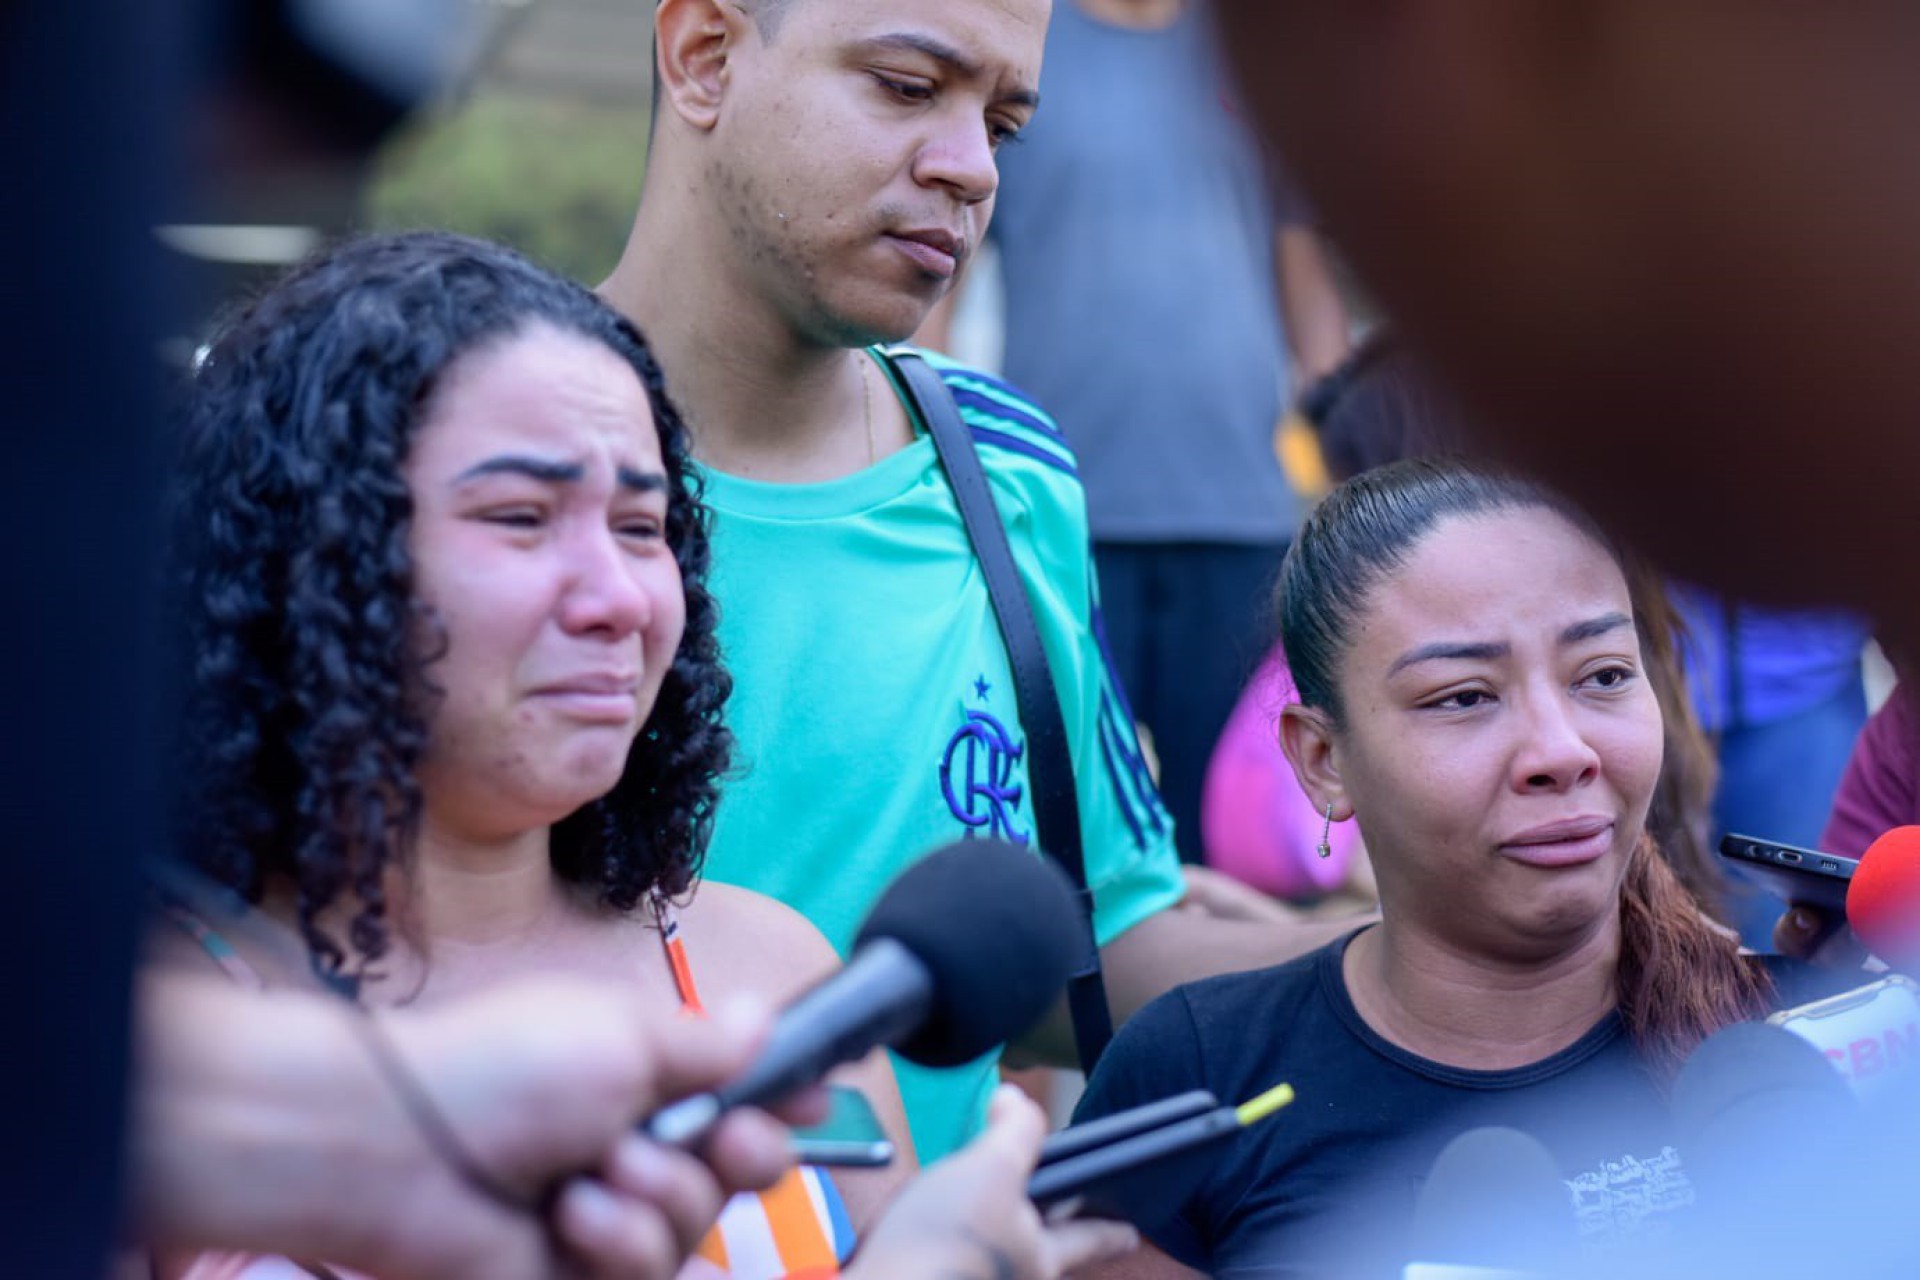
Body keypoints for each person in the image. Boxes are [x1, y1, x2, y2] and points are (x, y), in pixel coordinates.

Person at [158, 230, 1135, 1280]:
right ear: (305, 559)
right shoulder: (138, 1032)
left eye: (641, 525)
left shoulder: (773, 972)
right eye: (522, 518)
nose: (619, 597)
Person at [600, 0, 1349, 1164]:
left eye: (1002, 124)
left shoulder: (1005, 470)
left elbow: (1093, 959)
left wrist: (1433, 949)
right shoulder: (454, 467)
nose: (968, 171)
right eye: (905, 86)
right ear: (704, 56)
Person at [1073, 459, 1820, 1278]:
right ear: (1323, 758)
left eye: (1603, 676)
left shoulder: (1801, 1044)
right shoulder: (1194, 1079)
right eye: (1464, 696)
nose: (1561, 752)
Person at [918, 0, 1351, 865]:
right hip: (1055, 519)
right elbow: (943, 277)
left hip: (1242, 519)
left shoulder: (1258, 51)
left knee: (1238, 834)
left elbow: (1308, 289)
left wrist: (1357, 467)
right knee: (1065, 820)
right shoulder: (1024, 45)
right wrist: (929, 452)